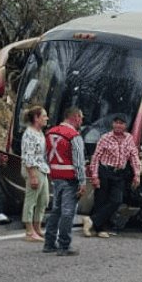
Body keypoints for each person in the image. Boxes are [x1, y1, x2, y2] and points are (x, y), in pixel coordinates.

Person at [86, 114, 141, 239]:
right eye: (116, 122)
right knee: (101, 200)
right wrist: (94, 176)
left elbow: (134, 157)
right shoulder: (105, 138)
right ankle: (99, 229)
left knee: (116, 200)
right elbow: (96, 157)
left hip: (119, 173)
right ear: (112, 124)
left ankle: (91, 220)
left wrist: (137, 174)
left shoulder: (129, 139)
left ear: (125, 126)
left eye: (121, 123)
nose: (118, 125)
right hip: (105, 171)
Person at [43, 107, 86, 256]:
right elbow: (79, 162)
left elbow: (45, 156)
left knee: (56, 210)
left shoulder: (49, 133)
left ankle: (49, 243)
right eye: (81, 118)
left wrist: (49, 172)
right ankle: (64, 245)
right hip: (70, 178)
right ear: (75, 117)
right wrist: (82, 181)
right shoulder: (74, 136)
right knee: (68, 212)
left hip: (56, 176)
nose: (81, 121)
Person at [19, 105, 51, 242]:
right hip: (33, 168)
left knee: (43, 200)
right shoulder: (29, 134)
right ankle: (29, 231)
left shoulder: (40, 132)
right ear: (36, 118)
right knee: (31, 200)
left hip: (42, 168)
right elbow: (28, 155)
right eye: (44, 116)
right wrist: (32, 175)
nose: (46, 118)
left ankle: (37, 227)